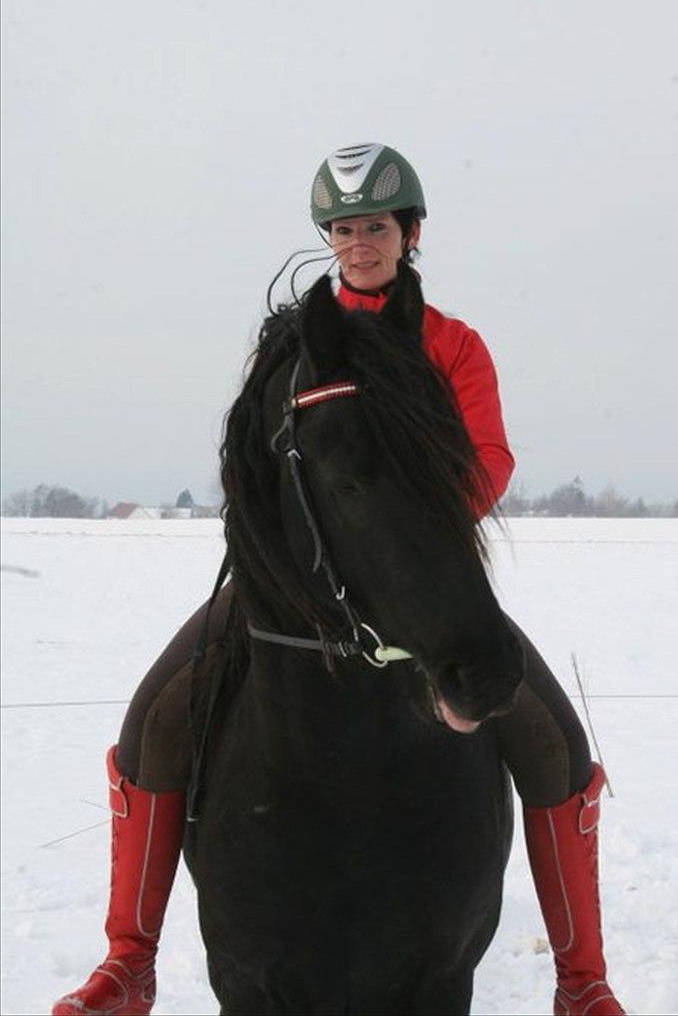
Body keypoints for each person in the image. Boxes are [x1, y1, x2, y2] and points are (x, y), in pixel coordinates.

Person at [52, 143, 625, 1016]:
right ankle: (129, 960)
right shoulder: (289, 349)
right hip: (292, 580)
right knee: (155, 719)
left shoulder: (452, 345)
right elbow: (250, 461)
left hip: (422, 574)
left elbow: (492, 457)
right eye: (345, 229)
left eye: (377, 228)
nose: (361, 244)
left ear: (411, 233)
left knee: (553, 741)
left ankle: (582, 980)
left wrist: (410, 526)